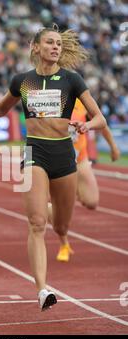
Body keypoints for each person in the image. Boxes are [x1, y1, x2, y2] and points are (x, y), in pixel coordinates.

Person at [0, 25, 107, 311]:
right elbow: (2, 107)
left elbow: (100, 118)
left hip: (64, 154)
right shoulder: (24, 81)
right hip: (35, 151)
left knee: (61, 224)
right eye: (49, 42)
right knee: (36, 223)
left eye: (58, 43)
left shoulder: (72, 79)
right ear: (36, 47)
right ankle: (42, 289)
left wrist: (86, 125)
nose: (55, 47)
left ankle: (57, 220)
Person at [52, 99, 121, 262]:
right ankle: (64, 244)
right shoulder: (49, 97)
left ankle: (72, 191)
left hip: (80, 158)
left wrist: (113, 146)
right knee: (57, 208)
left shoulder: (81, 99)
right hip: (56, 162)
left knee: (92, 202)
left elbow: (100, 121)